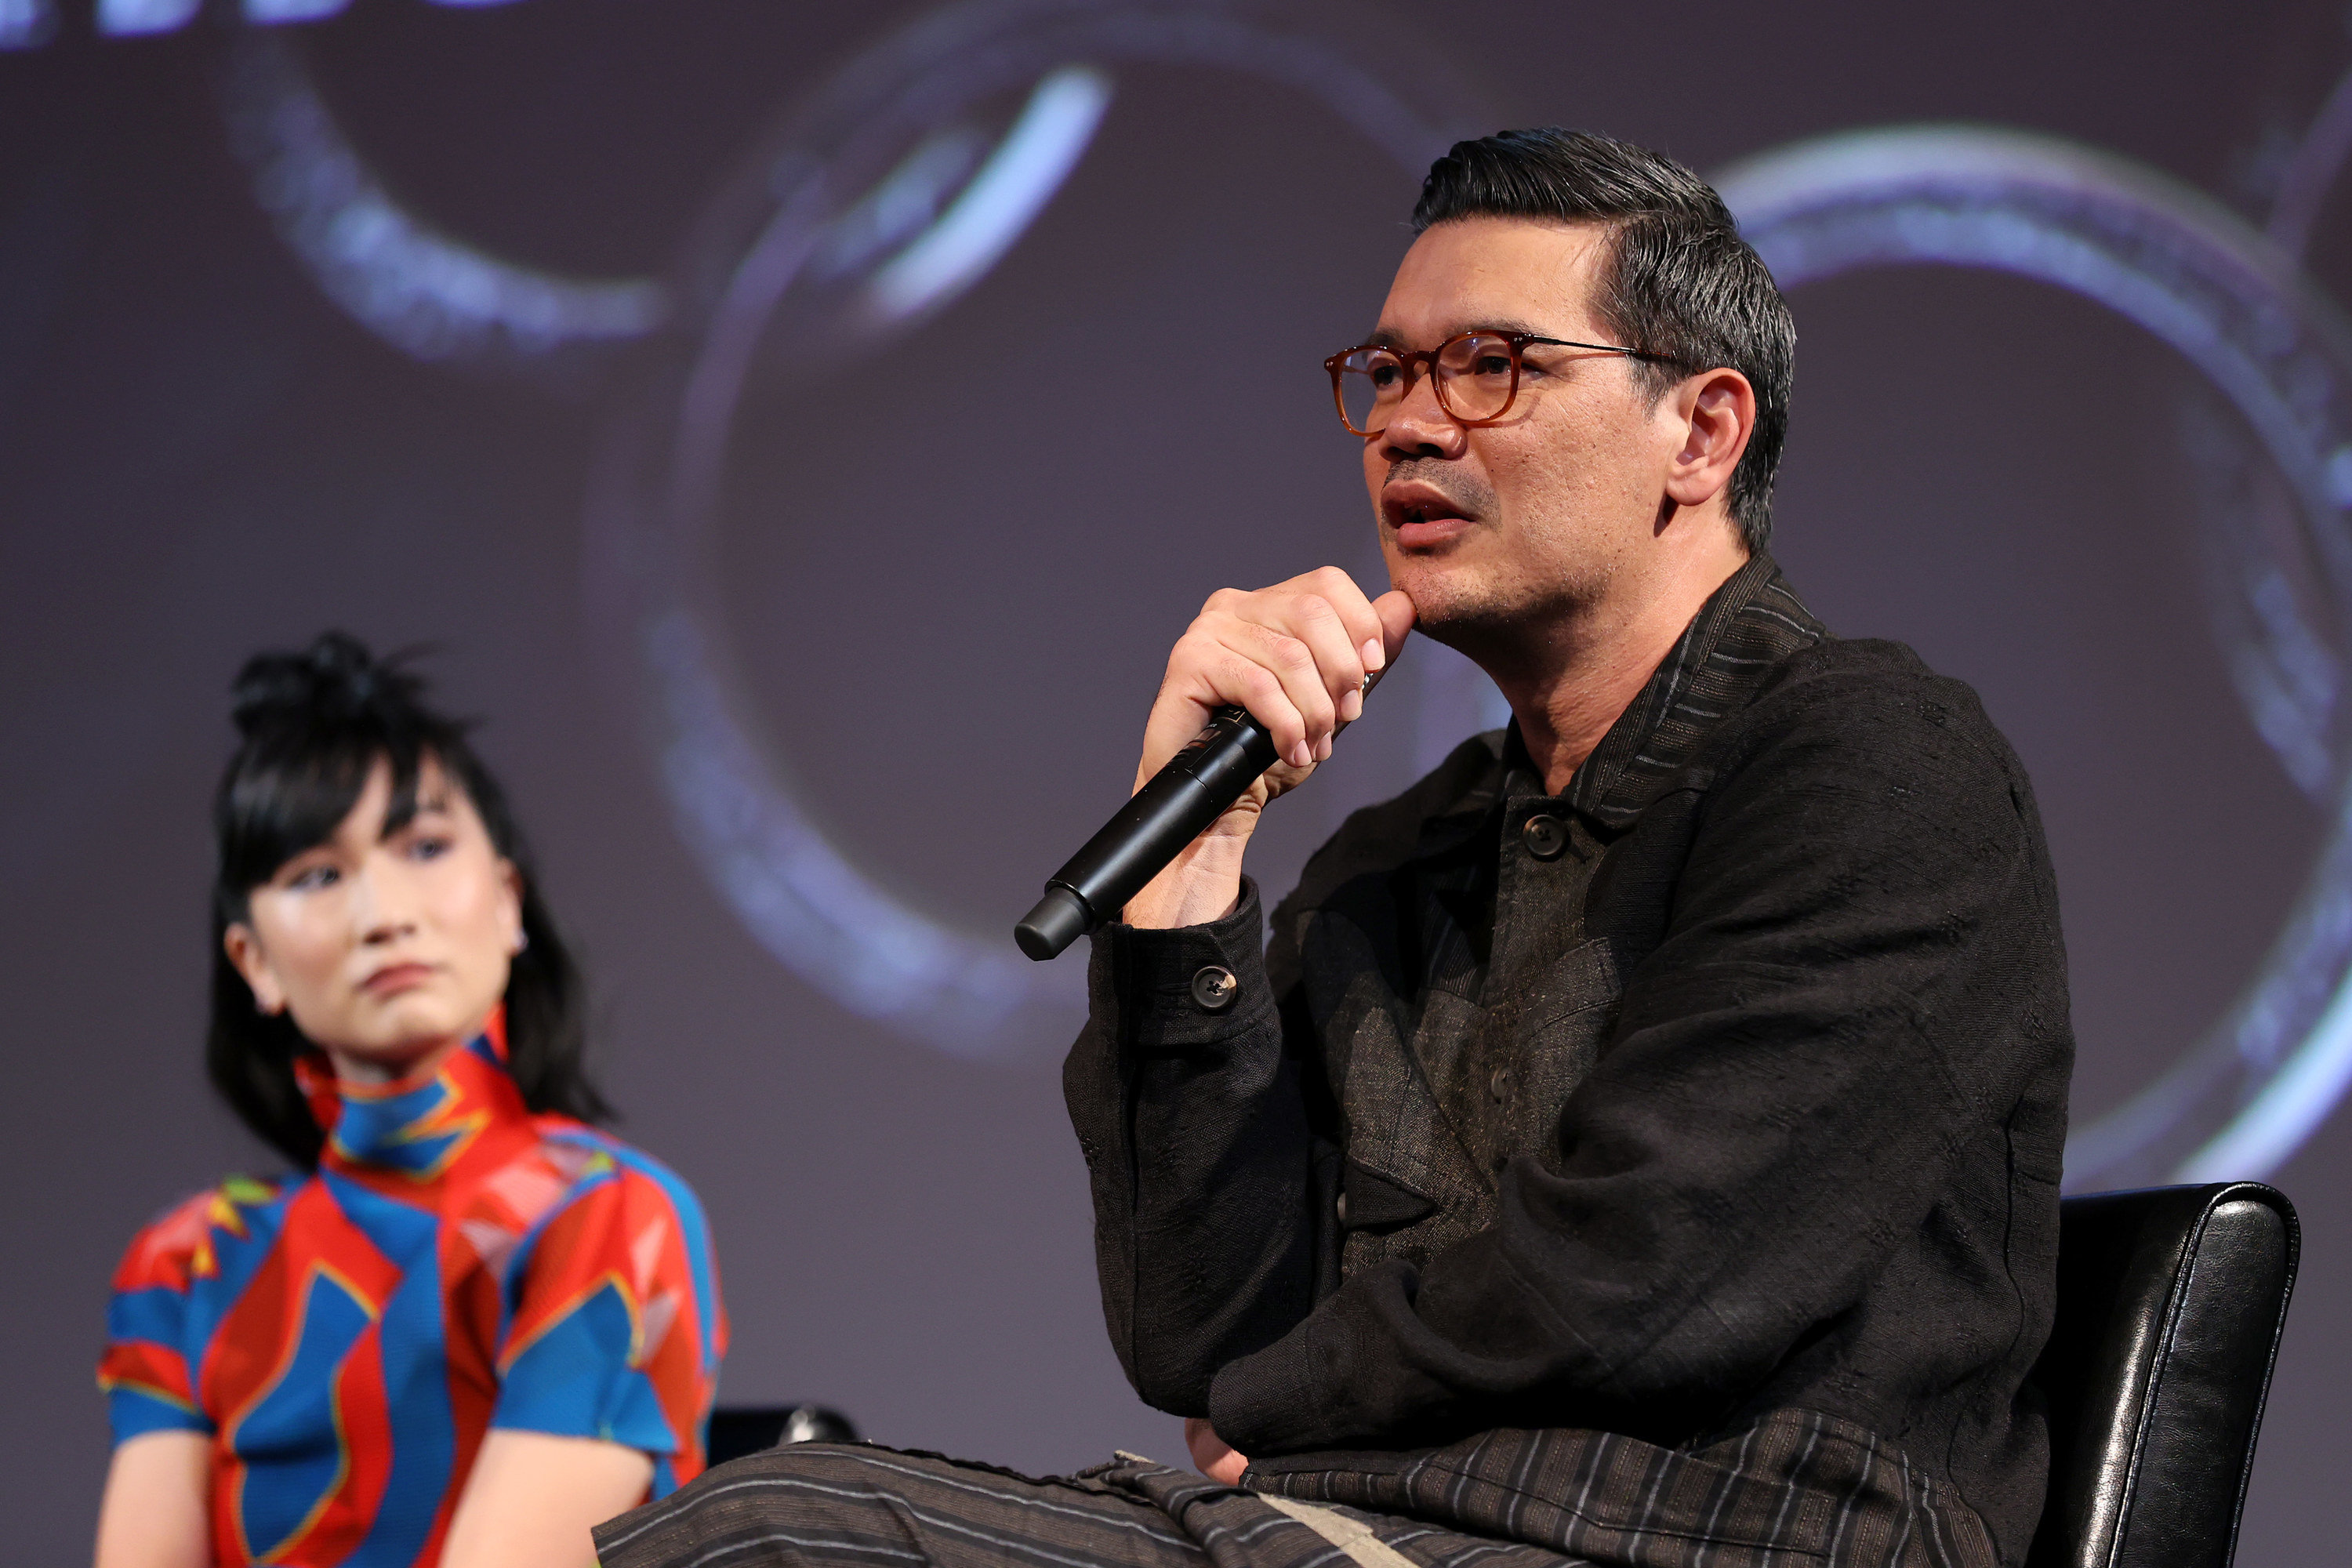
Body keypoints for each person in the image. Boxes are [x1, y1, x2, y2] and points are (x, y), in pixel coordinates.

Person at [595, 128, 2071, 1568]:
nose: (1415, 425)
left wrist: (1282, 1411)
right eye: (1390, 373)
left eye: (1496, 366)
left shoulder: (1870, 763)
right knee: (762, 1520)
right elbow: (1203, 1330)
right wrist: (1191, 863)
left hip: (1717, 1531)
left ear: (1701, 430)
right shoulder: (1402, 854)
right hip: (1381, 1524)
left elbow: (1649, 1272)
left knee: (781, 1538)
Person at [93, 634, 728, 1568]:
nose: (385, 912)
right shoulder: (192, 1261)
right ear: (254, 961)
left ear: (509, 902)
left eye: (425, 846)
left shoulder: (601, 1217)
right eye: (317, 874)